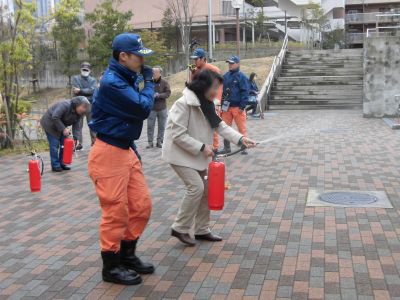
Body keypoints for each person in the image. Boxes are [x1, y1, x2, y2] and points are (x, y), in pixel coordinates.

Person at [88, 33, 155, 285]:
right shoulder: (112, 82)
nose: (142, 61)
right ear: (123, 56)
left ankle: (128, 255)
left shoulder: (124, 76)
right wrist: (148, 82)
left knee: (141, 205)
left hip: (125, 148)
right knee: (116, 211)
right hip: (108, 152)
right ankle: (111, 266)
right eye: (138, 56)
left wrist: (142, 79)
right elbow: (142, 107)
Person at [162, 69, 256, 246]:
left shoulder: (208, 103)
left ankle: (201, 230)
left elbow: (220, 126)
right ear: (203, 85)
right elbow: (177, 135)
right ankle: (180, 228)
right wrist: (201, 147)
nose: (216, 92)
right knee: (195, 188)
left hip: (197, 154)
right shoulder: (183, 104)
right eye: (214, 88)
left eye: (218, 88)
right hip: (179, 154)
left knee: (206, 189)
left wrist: (241, 139)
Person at [40, 96, 89, 172]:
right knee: (54, 145)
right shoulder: (65, 105)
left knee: (65, 144)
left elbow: (77, 127)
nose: (83, 109)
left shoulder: (80, 113)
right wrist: (63, 129)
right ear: (77, 104)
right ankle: (55, 165)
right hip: (50, 124)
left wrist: (76, 139)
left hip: (61, 125)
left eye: (85, 108)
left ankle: (62, 163)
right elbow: (55, 117)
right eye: (82, 107)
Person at [190, 48, 223, 151]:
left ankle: (215, 149)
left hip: (211, 103)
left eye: (197, 59)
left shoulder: (212, 69)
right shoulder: (195, 70)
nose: (195, 61)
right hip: (198, 104)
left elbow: (219, 86)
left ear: (203, 58)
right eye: (194, 59)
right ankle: (203, 148)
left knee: (213, 125)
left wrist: (217, 102)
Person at [221, 56, 250, 155]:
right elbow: (222, 91)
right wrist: (221, 104)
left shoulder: (242, 77)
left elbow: (245, 92)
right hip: (226, 107)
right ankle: (226, 148)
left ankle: (244, 146)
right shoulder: (225, 76)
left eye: (232, 63)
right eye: (229, 63)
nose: (230, 65)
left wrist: (242, 106)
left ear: (238, 64)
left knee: (241, 128)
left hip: (238, 107)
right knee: (225, 128)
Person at [72, 62, 97, 148]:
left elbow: (92, 90)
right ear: (80, 69)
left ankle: (95, 142)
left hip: (90, 104)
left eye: (87, 69)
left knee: (92, 124)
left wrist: (81, 91)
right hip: (78, 104)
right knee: (78, 125)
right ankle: (78, 144)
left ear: (90, 70)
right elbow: (75, 90)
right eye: (84, 69)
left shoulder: (93, 80)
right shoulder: (75, 78)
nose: (85, 71)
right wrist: (86, 91)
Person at [146, 66, 171, 148]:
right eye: (152, 72)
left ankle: (159, 142)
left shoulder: (164, 82)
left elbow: (168, 93)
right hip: (151, 108)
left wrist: (159, 95)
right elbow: (145, 91)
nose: (153, 74)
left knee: (162, 126)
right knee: (150, 126)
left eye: (155, 72)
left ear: (160, 73)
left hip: (162, 108)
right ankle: (150, 143)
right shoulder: (149, 82)